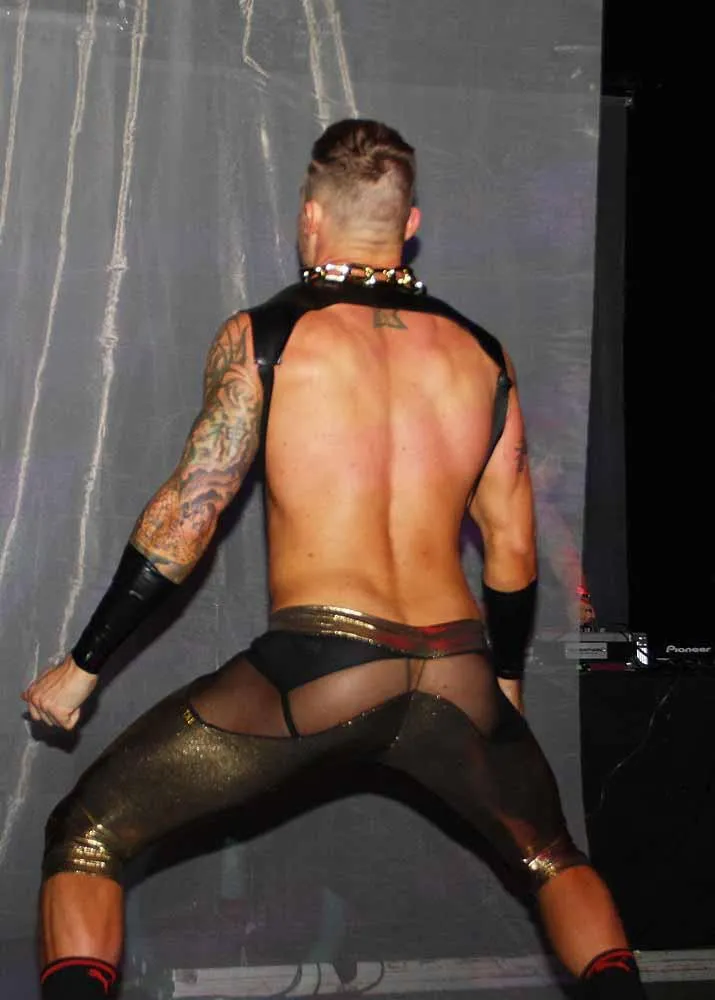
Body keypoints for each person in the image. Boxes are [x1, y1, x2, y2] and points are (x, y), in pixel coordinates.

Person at [23, 119, 645, 1000]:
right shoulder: (481, 355)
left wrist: (85, 665)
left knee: (88, 837)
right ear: (410, 224)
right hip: (454, 667)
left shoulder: (266, 338)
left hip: (323, 668)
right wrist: (502, 682)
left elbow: (190, 512)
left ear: (310, 219)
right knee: (551, 858)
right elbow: (510, 547)